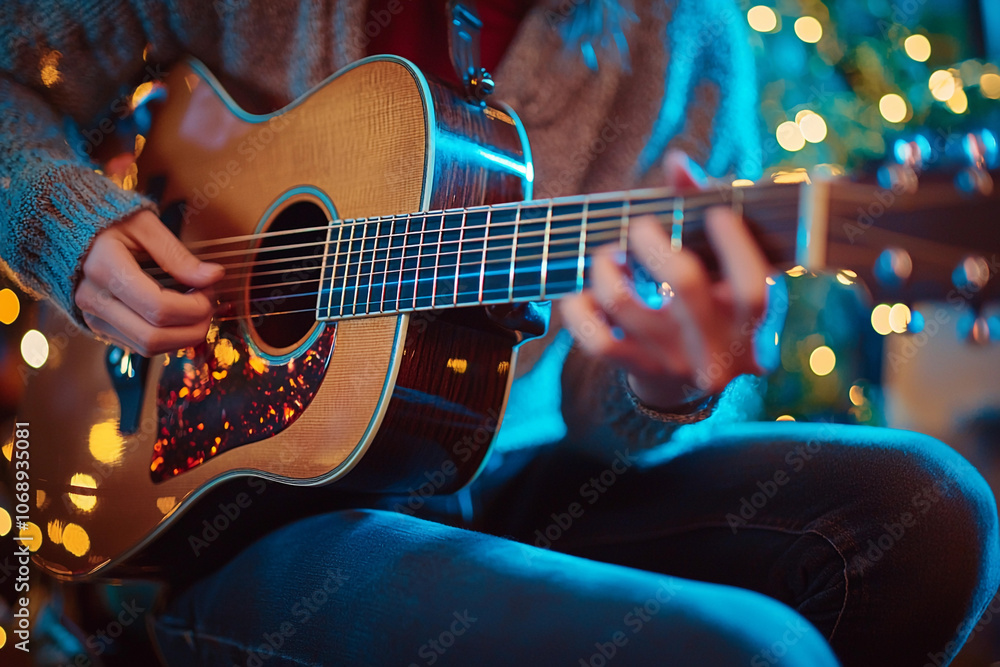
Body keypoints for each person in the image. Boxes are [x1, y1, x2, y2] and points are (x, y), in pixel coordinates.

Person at [1, 1, 997, 665]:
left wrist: (663, 385)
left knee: (934, 514)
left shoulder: (688, 43)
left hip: (512, 468)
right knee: (756, 654)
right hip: (244, 516)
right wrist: (71, 232)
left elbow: (620, 417)